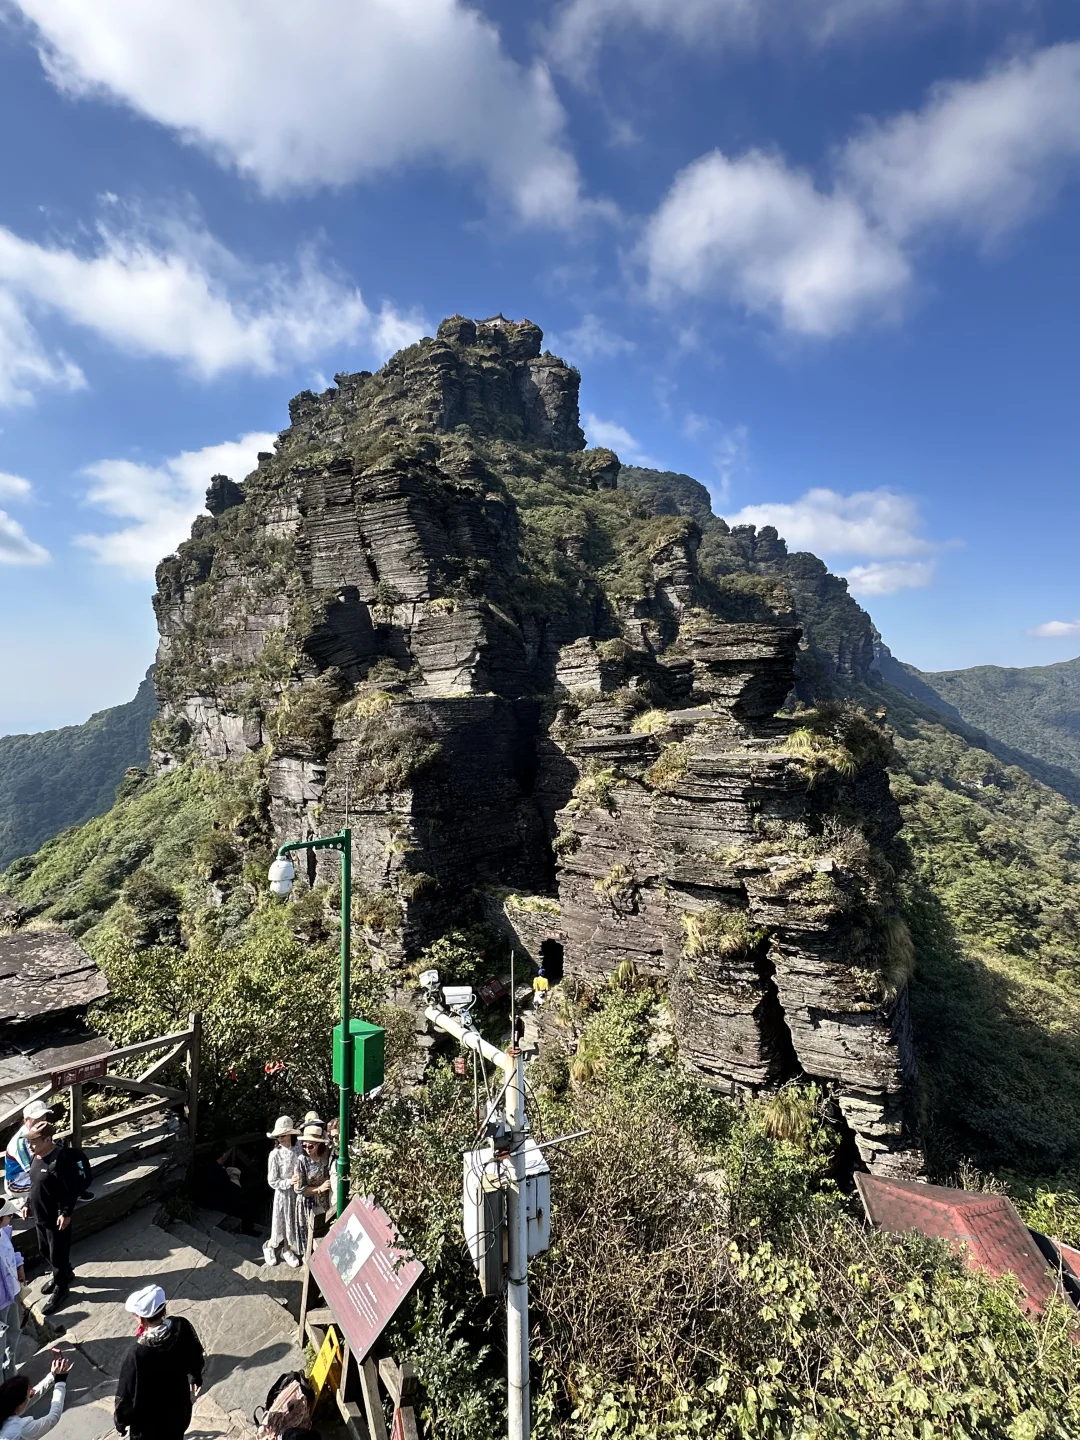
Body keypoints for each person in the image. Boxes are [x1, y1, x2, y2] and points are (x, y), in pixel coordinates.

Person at [114, 1284, 204, 1440]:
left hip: (149, 1425)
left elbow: (126, 1394)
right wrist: (196, 1376)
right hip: (178, 1409)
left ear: (141, 1318)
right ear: (164, 1309)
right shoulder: (181, 1325)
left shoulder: (137, 1354)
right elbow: (195, 1353)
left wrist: (121, 1423)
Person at [26, 1131, 79, 1317]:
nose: (30, 1147)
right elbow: (34, 1184)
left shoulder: (60, 1160)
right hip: (40, 1215)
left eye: (34, 1142)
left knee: (58, 1253)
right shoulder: (36, 1156)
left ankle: (62, 1288)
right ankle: (65, 1274)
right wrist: (27, 1203)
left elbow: (71, 1189)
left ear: (47, 1140)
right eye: (29, 1143)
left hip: (56, 1218)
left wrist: (66, 1213)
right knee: (44, 1249)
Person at [262, 1117, 303, 1269]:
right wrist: (288, 1182)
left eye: (283, 1135)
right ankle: (269, 1246)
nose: (280, 1139)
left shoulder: (299, 1147)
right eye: (278, 1136)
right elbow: (272, 1181)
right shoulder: (275, 1154)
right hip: (283, 1194)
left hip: (297, 1193)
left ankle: (287, 1250)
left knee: (292, 1223)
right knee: (280, 1224)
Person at [0, 1354, 72, 1438]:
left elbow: (31, 1394)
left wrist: (53, 1377)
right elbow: (52, 1418)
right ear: (18, 1406)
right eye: (28, 1396)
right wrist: (60, 1380)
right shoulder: (19, 1429)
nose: (31, 1393)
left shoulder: (5, 1403)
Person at [3, 1106, 51, 1213]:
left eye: (44, 1116)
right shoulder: (21, 1143)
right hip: (16, 1182)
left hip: (32, 1171)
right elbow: (32, 1171)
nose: (42, 1121)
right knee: (48, 1184)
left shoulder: (42, 1132)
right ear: (26, 1120)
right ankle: (23, 1203)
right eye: (37, 1118)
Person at [0, 1203, 25, 1382]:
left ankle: (11, 1376)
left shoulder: (4, 1232)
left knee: (13, 1335)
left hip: (11, 1296)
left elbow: (12, 1251)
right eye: (9, 1216)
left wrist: (20, 1266)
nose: (11, 1219)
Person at [293, 1125, 332, 1233]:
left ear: (318, 1144)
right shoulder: (302, 1160)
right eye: (304, 1146)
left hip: (324, 1202)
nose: (306, 1149)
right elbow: (299, 1189)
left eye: (310, 1146)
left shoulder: (325, 1156)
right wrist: (319, 1188)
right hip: (308, 1204)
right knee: (310, 1235)